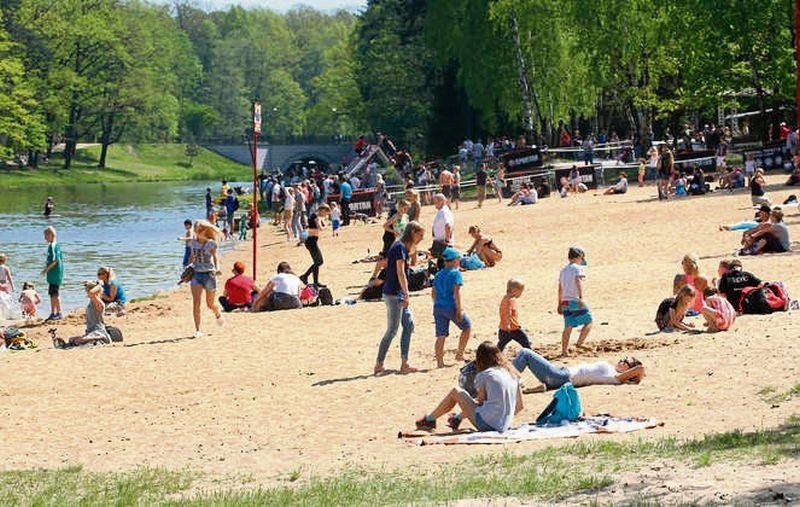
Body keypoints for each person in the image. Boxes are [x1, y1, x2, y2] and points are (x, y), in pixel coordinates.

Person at [415, 341, 523, 433]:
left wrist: (465, 408)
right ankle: (455, 419)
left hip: (487, 424)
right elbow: (519, 407)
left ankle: (429, 420)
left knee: (456, 391)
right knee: (478, 405)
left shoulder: (485, 374)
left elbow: (480, 402)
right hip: (505, 425)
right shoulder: (513, 373)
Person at [374, 221, 425, 376]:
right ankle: (379, 364)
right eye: (420, 235)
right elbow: (400, 272)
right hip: (394, 293)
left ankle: (404, 363)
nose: (421, 239)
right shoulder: (400, 248)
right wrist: (407, 293)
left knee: (408, 326)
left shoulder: (401, 247)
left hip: (397, 293)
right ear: (413, 233)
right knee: (392, 330)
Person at [512, 349, 645, 390]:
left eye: (626, 362)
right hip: (560, 375)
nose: (622, 360)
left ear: (629, 371)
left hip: (560, 377)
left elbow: (640, 369)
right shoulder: (613, 372)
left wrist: (632, 377)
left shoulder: (615, 378)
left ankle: (507, 379)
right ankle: (510, 378)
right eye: (623, 358)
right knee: (526, 356)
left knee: (525, 353)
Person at [431, 247, 471, 368]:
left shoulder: (438, 274)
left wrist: (436, 303)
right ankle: (460, 354)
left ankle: (440, 362)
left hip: (438, 307)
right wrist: (459, 310)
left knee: (440, 335)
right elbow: (456, 293)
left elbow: (433, 293)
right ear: (454, 260)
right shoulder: (456, 273)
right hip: (451, 306)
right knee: (467, 327)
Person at [188, 220, 224, 338]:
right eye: (196, 230)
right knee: (196, 303)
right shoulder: (193, 243)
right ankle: (198, 329)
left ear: (204, 231)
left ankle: (217, 312)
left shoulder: (211, 244)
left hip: (209, 275)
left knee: (210, 304)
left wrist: (218, 268)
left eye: (199, 230)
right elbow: (192, 257)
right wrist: (188, 268)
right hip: (197, 274)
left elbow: (215, 257)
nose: (196, 233)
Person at [54, 280, 111, 347]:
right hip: (90, 332)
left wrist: (100, 285)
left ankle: (99, 340)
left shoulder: (99, 303)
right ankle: (88, 340)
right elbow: (91, 293)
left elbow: (91, 293)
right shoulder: (91, 302)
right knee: (71, 339)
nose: (86, 292)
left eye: (87, 290)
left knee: (78, 341)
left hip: (99, 332)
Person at [558, 246, 592, 356]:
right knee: (589, 321)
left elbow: (560, 287)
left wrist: (559, 303)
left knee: (568, 326)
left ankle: (564, 351)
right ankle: (579, 343)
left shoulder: (563, 270)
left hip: (565, 301)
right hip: (575, 300)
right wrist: (581, 297)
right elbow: (578, 282)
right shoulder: (577, 268)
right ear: (579, 257)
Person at [300, 203, 331, 286]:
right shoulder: (316, 217)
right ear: (323, 210)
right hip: (311, 242)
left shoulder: (314, 215)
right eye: (326, 213)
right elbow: (320, 227)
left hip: (311, 241)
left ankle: (314, 281)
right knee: (319, 261)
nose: (325, 215)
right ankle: (305, 276)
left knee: (317, 262)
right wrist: (326, 226)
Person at [497, 278, 532, 351]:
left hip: (503, 329)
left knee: (501, 345)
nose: (521, 294)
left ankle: (494, 356)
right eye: (521, 292)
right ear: (515, 291)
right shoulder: (511, 300)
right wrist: (508, 324)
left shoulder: (505, 298)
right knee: (525, 342)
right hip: (513, 328)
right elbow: (507, 312)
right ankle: (530, 355)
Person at [41, 226, 64, 321]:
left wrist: (46, 269)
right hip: (56, 274)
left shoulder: (52, 245)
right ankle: (57, 312)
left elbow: (55, 260)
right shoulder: (56, 245)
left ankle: (54, 313)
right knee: (54, 294)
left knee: (53, 294)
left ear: (51, 235)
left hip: (54, 274)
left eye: (45, 235)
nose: (45, 238)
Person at [430, 193, 454, 263]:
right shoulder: (443, 211)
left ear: (441, 201)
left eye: (436, 202)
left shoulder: (444, 212)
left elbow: (448, 225)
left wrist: (447, 240)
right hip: (440, 242)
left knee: (443, 264)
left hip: (443, 243)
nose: (435, 204)